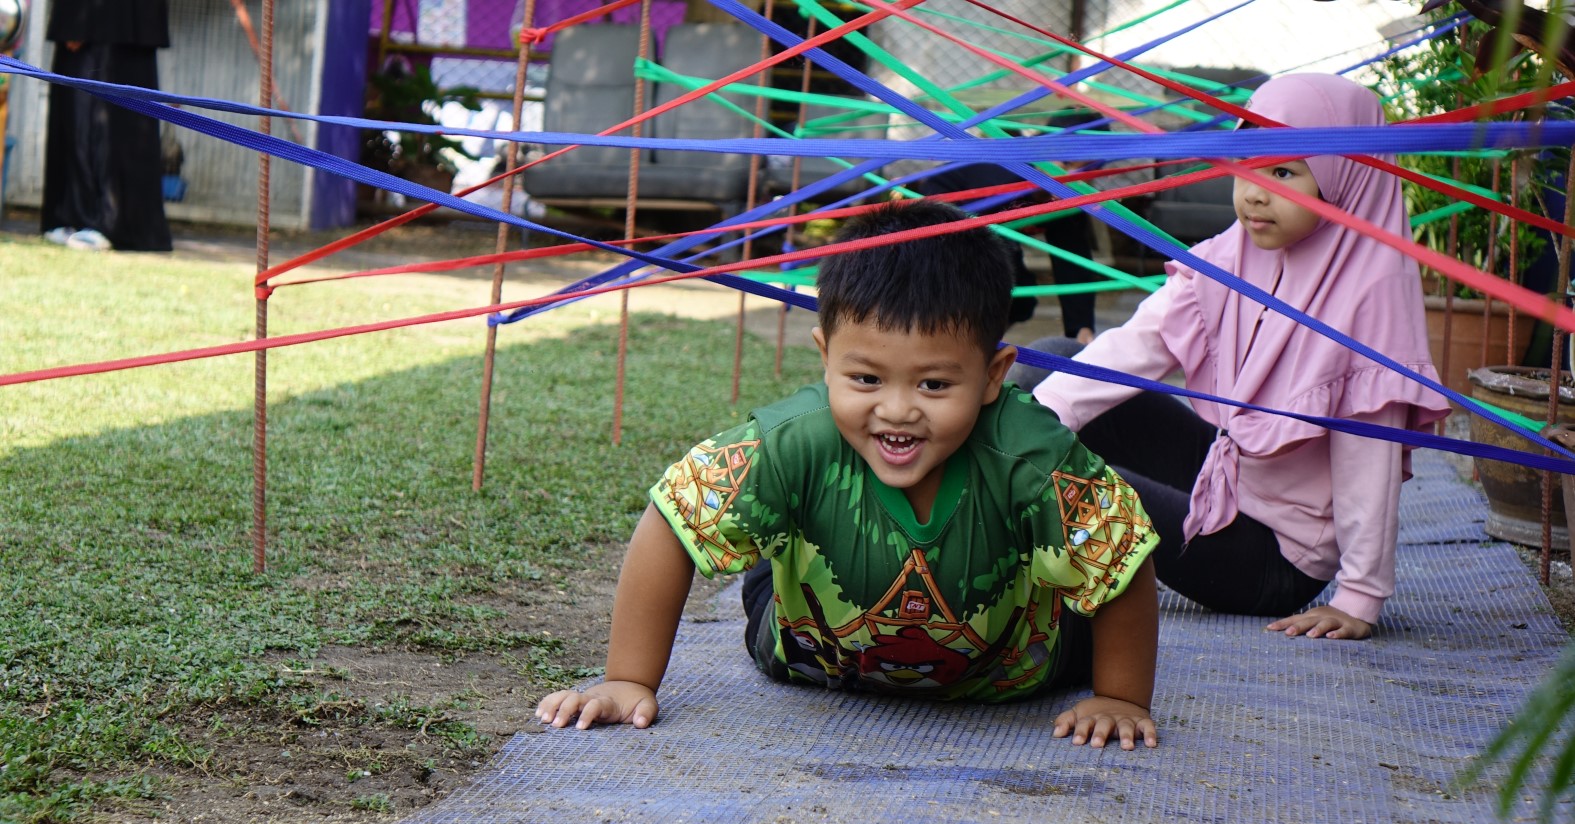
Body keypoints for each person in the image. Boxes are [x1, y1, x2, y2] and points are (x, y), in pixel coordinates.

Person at [537, 200, 1161, 749]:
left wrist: (1122, 696)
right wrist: (628, 678)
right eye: (866, 379)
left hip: (1014, 669)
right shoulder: (791, 442)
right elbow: (673, 519)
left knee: (1093, 561)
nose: (896, 409)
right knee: (761, 512)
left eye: (934, 384)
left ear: (996, 374)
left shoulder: (1034, 457)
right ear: (825, 356)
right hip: (808, 653)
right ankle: (780, 535)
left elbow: (1121, 556)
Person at [1010, 73, 1452, 641]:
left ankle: (987, 537)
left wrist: (1360, 596)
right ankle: (992, 479)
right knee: (1051, 361)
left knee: (1081, 487)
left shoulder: (1372, 286)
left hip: (1270, 558)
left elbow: (1370, 453)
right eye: (1247, 164)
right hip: (1222, 475)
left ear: (1342, 180)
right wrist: (1021, 430)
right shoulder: (1233, 253)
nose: (1253, 192)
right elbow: (1135, 346)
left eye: (1284, 173)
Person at [39, 0, 172, 252]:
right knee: (78, 114)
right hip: (93, 18)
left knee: (110, 117)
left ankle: (104, 222)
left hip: (114, 18)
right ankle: (75, 217)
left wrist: (79, 21)